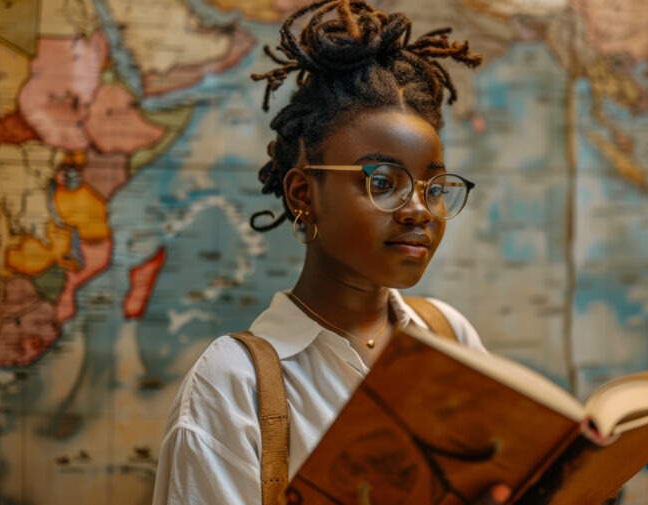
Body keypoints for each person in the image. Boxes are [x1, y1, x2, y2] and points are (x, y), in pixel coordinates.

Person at [151, 1, 508, 503]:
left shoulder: (449, 338)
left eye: (434, 188)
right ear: (303, 195)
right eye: (382, 182)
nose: (419, 210)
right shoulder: (234, 385)